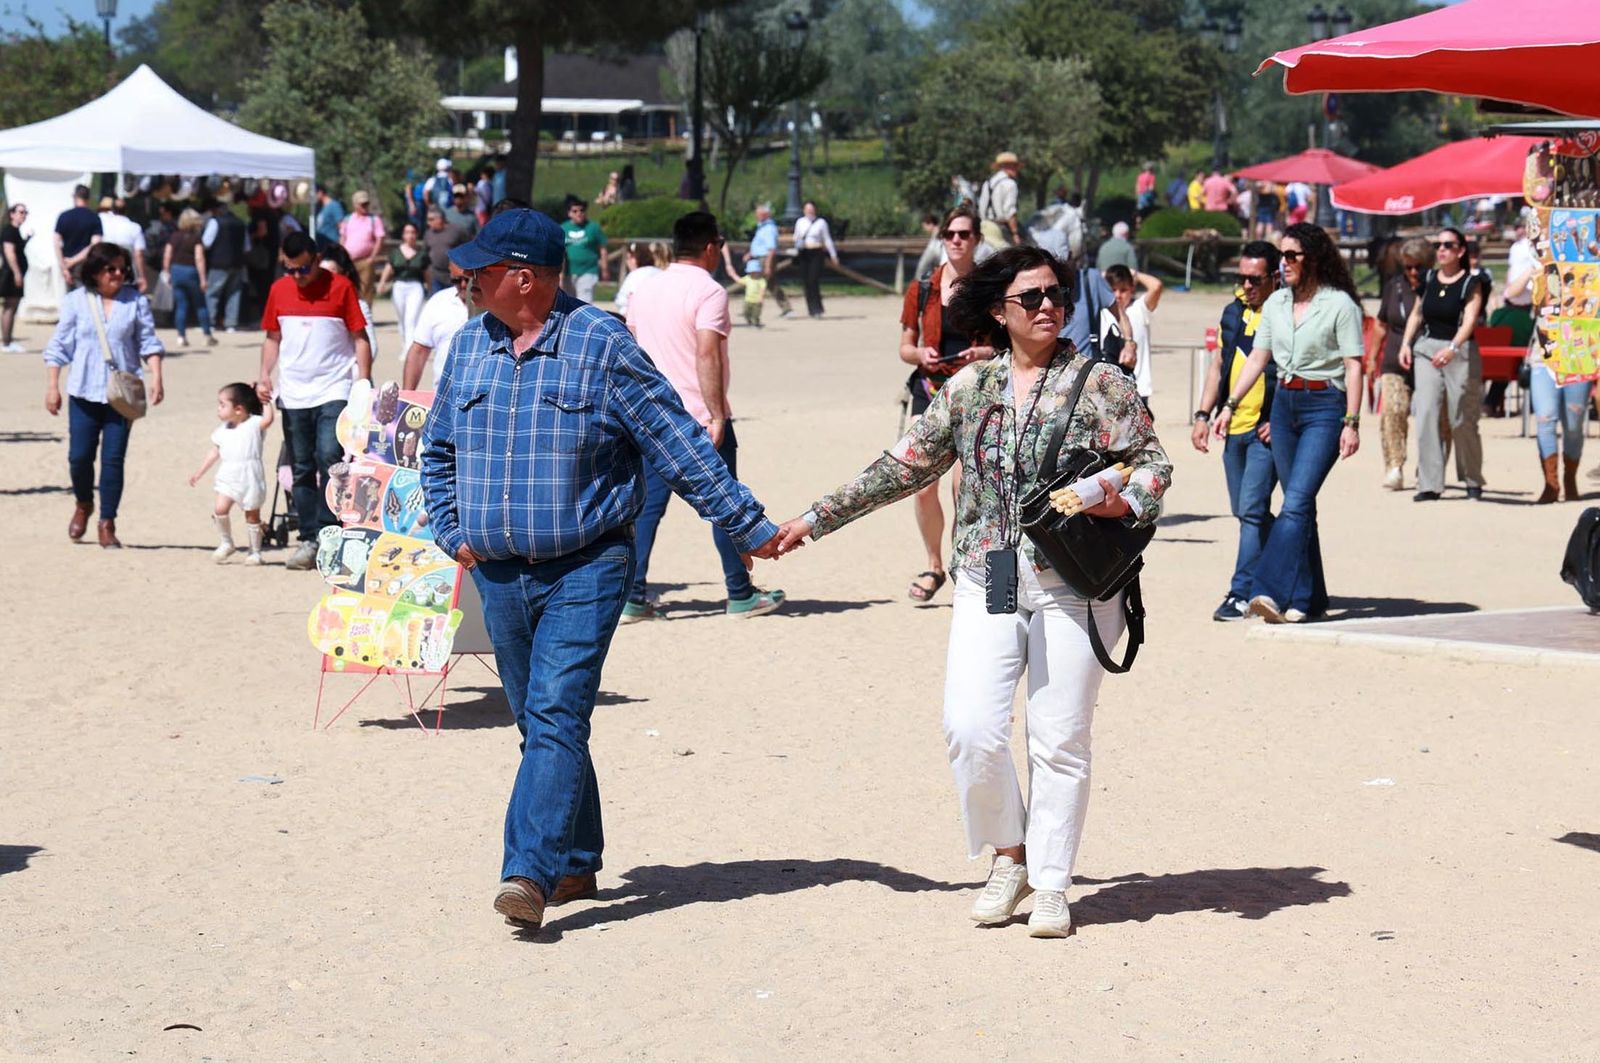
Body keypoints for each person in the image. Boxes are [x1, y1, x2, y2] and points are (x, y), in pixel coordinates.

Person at [769, 246, 1172, 937]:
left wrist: (1118, 497)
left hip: (1074, 581)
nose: (1048, 306)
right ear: (997, 311)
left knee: (1060, 738)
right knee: (972, 727)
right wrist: (813, 519)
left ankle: (1049, 883)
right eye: (1030, 298)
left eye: (1056, 293)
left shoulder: (1101, 382)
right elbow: (900, 467)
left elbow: (1152, 463)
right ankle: (1009, 855)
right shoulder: (969, 388)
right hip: (991, 574)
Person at [417, 208, 785, 932]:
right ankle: (579, 855)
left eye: (483, 269)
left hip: (587, 565)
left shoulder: (602, 344)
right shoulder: (467, 346)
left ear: (524, 277)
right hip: (496, 569)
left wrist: (747, 525)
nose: (469, 278)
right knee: (541, 722)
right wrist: (450, 527)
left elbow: (676, 441)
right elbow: (438, 450)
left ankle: (528, 870)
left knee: (554, 715)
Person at [621, 210, 786, 621]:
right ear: (711, 247)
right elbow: (706, 351)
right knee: (724, 502)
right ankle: (739, 592)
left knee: (645, 510)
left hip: (651, 417)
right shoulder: (709, 292)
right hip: (696, 416)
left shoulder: (644, 291)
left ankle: (632, 595)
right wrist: (717, 414)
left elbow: (633, 351)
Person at [1218, 222, 1361, 623]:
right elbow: (1259, 358)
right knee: (1302, 507)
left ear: (1313, 258)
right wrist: (1229, 405)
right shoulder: (1277, 304)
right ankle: (1309, 596)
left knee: (1294, 502)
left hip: (1325, 406)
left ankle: (1266, 590)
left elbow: (1353, 367)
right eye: (1282, 256)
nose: (1284, 263)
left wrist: (1352, 421)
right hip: (1284, 406)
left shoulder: (1339, 305)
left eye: (1292, 255)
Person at [256, 230, 373, 571]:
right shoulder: (278, 290)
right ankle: (309, 538)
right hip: (293, 392)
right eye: (290, 269)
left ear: (315, 258)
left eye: (303, 269)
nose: (297, 277)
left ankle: (330, 529)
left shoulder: (341, 287)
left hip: (334, 388)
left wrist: (363, 381)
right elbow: (272, 337)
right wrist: (264, 373)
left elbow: (359, 337)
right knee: (302, 465)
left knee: (329, 456)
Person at [897, 204, 993, 603]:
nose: (956, 241)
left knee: (963, 487)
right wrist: (920, 355)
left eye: (964, 235)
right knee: (922, 487)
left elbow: (1005, 346)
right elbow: (904, 346)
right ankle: (934, 564)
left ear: (976, 240)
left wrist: (981, 353)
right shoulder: (922, 289)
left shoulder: (990, 289)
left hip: (974, 391)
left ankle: (965, 565)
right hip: (931, 391)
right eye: (950, 234)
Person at [42, 242, 165, 549]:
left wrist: (157, 377)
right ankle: (84, 503)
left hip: (121, 395)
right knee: (79, 457)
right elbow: (58, 347)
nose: (118, 274)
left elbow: (148, 342)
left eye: (123, 269)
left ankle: (107, 522)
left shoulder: (135, 301)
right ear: (95, 272)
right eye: (111, 269)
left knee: (113, 460)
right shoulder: (75, 302)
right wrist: (53, 386)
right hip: (83, 390)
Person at [1192, 241, 1282, 621]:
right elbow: (1217, 367)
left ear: (1275, 278)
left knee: (1251, 510)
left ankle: (1241, 593)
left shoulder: (1285, 313)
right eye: (1241, 278)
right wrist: (1201, 413)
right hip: (1232, 427)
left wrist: (1278, 421)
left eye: (1255, 279)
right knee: (1247, 512)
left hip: (1266, 429)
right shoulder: (1231, 313)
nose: (1247, 285)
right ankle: (1297, 565)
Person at [1398, 227, 1486, 502]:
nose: (1442, 250)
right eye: (1439, 245)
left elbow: (1470, 320)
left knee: (1461, 420)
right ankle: (1429, 483)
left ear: (1461, 251)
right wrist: (1406, 343)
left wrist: (1452, 348)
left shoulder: (1472, 282)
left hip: (1459, 350)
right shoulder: (1427, 278)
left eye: (1448, 245)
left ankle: (1472, 478)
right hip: (1426, 350)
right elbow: (1416, 313)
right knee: (1425, 413)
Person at [188, 382, 274, 564]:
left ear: (238, 409)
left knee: (252, 515)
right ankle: (227, 542)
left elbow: (268, 420)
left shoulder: (253, 424)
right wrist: (199, 472)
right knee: (220, 509)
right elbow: (214, 452)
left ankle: (255, 551)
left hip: (250, 476)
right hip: (228, 476)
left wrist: (265, 401)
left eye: (222, 404)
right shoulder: (222, 431)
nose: (218, 409)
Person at [1372, 238, 1433, 490]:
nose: (1413, 272)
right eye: (1408, 267)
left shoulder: (1438, 287)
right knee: (1393, 412)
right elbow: (1380, 324)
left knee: (1433, 417)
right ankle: (1394, 466)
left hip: (1430, 359)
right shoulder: (1394, 286)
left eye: (1418, 267)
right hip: (1395, 358)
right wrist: (1371, 360)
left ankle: (1430, 467)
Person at [1485, 213, 1538, 417]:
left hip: (1524, 307)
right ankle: (1495, 402)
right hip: (1516, 306)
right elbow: (1511, 287)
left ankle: (1493, 402)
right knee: (1510, 359)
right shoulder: (1518, 248)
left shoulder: (1525, 247)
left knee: (1518, 359)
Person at [1101, 264, 1164, 413]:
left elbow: (1156, 286)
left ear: (1132, 289)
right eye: (1113, 290)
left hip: (1138, 387)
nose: (1118, 295)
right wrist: (1101, 276)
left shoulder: (1140, 308)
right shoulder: (1103, 312)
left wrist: (1134, 273)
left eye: (1123, 290)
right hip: (1108, 388)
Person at [401, 264, 471, 390]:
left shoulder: (496, 303)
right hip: (443, 395)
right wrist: (407, 396)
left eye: (468, 279)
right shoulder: (438, 302)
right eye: (456, 280)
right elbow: (419, 351)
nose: (463, 285)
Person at [163, 208, 215, 349]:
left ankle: (181, 336)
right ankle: (207, 335)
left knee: (181, 305)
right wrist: (203, 279)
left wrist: (167, 271)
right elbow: (199, 258)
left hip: (176, 271)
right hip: (191, 271)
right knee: (200, 304)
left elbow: (167, 254)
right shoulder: (196, 238)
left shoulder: (174, 236)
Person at [317, 242, 379, 361]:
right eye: (322, 273)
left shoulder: (359, 305)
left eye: (332, 273)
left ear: (345, 274)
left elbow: (371, 348)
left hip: (347, 375)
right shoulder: (310, 305)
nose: (326, 278)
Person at [377, 222, 430, 353]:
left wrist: (429, 287)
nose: (410, 235)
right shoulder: (395, 253)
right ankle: (404, 343)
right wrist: (382, 283)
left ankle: (409, 349)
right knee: (402, 318)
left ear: (416, 235)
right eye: (407, 232)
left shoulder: (422, 254)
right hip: (399, 286)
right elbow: (388, 268)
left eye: (413, 232)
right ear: (403, 235)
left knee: (411, 318)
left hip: (415, 286)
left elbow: (426, 273)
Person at [202, 201, 250, 333]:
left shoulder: (215, 222)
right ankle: (231, 324)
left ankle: (210, 322)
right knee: (234, 293)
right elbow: (247, 247)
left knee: (212, 293)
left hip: (218, 263)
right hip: (237, 263)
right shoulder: (241, 223)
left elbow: (206, 242)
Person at [744, 202, 792, 318]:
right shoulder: (762, 227)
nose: (756, 216)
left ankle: (752, 308)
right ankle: (785, 307)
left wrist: (767, 265)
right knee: (764, 283)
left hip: (765, 258)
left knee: (764, 283)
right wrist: (750, 253)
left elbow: (771, 249)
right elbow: (760, 244)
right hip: (759, 258)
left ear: (765, 215)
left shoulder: (769, 228)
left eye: (758, 214)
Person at [792, 200, 838, 319]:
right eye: (807, 209)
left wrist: (833, 255)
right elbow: (796, 236)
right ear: (804, 210)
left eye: (811, 209)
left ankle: (818, 308)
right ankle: (811, 309)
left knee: (813, 280)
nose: (809, 211)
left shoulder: (821, 223)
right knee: (806, 281)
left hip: (816, 252)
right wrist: (797, 243)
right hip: (804, 252)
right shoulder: (800, 222)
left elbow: (827, 239)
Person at [338, 190, 386, 304]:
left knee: (365, 291)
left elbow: (380, 238)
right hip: (349, 261)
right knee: (348, 289)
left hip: (366, 260)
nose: (365, 206)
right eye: (362, 204)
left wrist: (372, 257)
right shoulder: (347, 219)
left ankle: (365, 317)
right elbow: (343, 237)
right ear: (355, 205)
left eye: (366, 204)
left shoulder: (374, 220)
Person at [54, 184, 102, 289]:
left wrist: (64, 266)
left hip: (66, 262)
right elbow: (95, 244)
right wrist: (74, 260)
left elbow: (56, 243)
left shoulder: (64, 216)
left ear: (74, 197)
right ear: (88, 198)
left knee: (70, 298)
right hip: (85, 264)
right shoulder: (94, 218)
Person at [96, 198, 148, 293]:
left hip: (106, 272)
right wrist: (142, 277)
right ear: (126, 210)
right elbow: (138, 254)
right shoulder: (135, 228)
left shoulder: (103, 226)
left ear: (112, 209)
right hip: (126, 274)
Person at [561, 199, 609, 303]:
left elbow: (603, 249)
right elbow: (559, 251)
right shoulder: (563, 228)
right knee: (569, 302)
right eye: (575, 211)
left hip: (588, 271)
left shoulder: (593, 228)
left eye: (581, 210)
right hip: (569, 273)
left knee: (584, 301)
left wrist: (605, 269)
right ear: (569, 213)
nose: (579, 213)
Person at [978, 152, 1022, 247]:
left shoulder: (987, 183)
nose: (1016, 169)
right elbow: (1010, 212)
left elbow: (981, 207)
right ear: (1007, 166)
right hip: (1001, 228)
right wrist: (1015, 233)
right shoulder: (1010, 184)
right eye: (1014, 166)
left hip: (983, 226)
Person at [1, 202, 29, 352]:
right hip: (10, 275)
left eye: (25, 212)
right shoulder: (9, 231)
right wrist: (17, 273)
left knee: (13, 307)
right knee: (9, 307)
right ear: (12, 214)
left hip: (14, 274)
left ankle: (8, 340)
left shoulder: (15, 232)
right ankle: (6, 342)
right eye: (21, 212)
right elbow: (9, 253)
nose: (23, 215)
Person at [615, 241, 665, 319]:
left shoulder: (634, 275)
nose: (628, 262)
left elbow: (621, 302)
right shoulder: (661, 273)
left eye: (630, 258)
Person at [423, 207, 468, 294]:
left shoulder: (457, 230)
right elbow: (425, 253)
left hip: (454, 277)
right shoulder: (428, 234)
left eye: (431, 219)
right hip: (436, 275)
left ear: (440, 219)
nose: (428, 223)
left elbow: (467, 247)